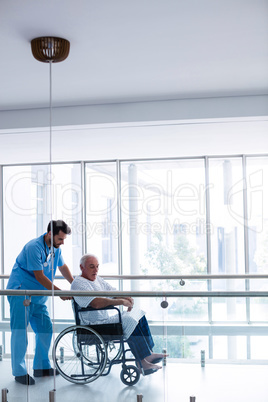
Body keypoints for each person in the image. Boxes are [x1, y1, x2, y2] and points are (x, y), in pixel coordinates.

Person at [71, 253, 167, 375]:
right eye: (91, 267)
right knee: (129, 320)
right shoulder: (78, 283)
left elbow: (112, 291)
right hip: (93, 326)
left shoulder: (97, 279)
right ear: (82, 267)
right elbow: (95, 303)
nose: (96, 270)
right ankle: (141, 361)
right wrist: (120, 301)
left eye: (97, 266)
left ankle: (148, 354)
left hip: (104, 322)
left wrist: (126, 297)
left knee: (138, 314)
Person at [7, 220, 74, 385]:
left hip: (38, 295)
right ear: (50, 234)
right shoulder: (33, 247)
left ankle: (41, 366)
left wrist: (75, 284)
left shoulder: (55, 248)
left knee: (45, 328)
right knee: (20, 332)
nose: (62, 242)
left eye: (64, 239)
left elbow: (62, 267)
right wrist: (59, 293)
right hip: (21, 292)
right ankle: (19, 371)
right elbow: (40, 276)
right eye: (60, 239)